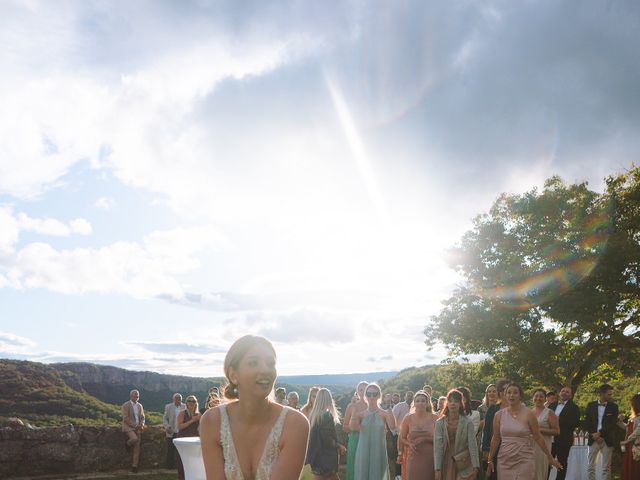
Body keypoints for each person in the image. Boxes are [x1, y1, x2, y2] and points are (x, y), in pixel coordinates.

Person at [199, 335, 309, 480]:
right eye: (253, 363)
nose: (265, 370)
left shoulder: (295, 424)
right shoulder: (212, 421)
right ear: (233, 375)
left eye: (270, 363)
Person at [486, 383, 562, 480]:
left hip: (524, 458)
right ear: (504, 395)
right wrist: (490, 459)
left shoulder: (529, 414)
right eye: (508, 393)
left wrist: (549, 457)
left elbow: (538, 436)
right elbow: (496, 438)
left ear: (520, 395)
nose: (511, 395)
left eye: (515, 393)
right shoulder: (498, 415)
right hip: (505, 459)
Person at [350, 382, 396, 480]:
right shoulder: (360, 414)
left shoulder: (384, 414)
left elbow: (393, 426)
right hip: (363, 450)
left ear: (379, 395)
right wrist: (354, 409)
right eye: (369, 394)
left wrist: (389, 407)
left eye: (374, 394)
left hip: (378, 450)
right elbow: (353, 427)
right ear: (365, 395)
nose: (372, 397)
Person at [434, 388, 479, 480]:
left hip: (463, 460)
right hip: (446, 459)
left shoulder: (467, 422)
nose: (453, 403)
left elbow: (472, 445)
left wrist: (476, 466)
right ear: (447, 403)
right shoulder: (440, 423)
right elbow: (437, 447)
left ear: (461, 404)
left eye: (456, 401)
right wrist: (437, 469)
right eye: (450, 401)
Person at [306, 388, 346, 479]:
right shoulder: (326, 416)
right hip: (326, 456)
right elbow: (327, 439)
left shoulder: (313, 415)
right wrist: (338, 445)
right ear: (329, 400)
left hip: (315, 456)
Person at [583, 383, 619, 480]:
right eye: (609, 394)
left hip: (607, 439)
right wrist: (593, 434)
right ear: (602, 394)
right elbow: (586, 422)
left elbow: (612, 424)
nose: (611, 396)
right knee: (590, 466)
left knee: (606, 468)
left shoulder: (614, 407)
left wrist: (600, 434)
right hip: (593, 439)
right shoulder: (590, 405)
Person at [399, 390, 437, 480]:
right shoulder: (408, 418)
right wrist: (409, 444)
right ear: (414, 403)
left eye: (423, 400)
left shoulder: (435, 418)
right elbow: (402, 438)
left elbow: (440, 439)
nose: (420, 403)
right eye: (418, 401)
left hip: (430, 457)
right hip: (413, 456)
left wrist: (425, 439)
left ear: (428, 403)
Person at [547, 385, 581, 480]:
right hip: (549, 439)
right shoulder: (552, 405)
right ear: (559, 393)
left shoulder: (574, 408)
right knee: (547, 462)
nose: (564, 393)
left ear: (570, 395)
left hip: (564, 439)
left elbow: (576, 423)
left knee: (561, 463)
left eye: (567, 392)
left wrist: (559, 420)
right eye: (563, 391)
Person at [481, 379, 509, 480]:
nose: (507, 393)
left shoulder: (519, 410)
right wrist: (486, 450)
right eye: (504, 390)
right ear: (500, 392)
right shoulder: (493, 409)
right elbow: (487, 430)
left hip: (514, 451)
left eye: (509, 390)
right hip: (496, 450)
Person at [530, 389, 559, 480]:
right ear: (533, 398)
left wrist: (539, 430)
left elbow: (557, 431)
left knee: (539, 473)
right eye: (536, 396)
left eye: (541, 396)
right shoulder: (528, 412)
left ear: (545, 398)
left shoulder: (549, 412)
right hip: (528, 447)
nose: (538, 398)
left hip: (542, 448)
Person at [343, 381, 369, 480]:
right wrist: (356, 428)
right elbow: (344, 427)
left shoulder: (373, 406)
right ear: (357, 392)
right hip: (355, 439)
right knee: (354, 466)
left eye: (366, 389)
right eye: (361, 390)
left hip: (370, 439)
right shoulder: (351, 406)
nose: (363, 392)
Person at [177, 395, 202, 480]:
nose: (191, 403)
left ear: (196, 403)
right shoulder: (182, 413)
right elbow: (179, 427)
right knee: (182, 462)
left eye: (193, 401)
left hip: (194, 442)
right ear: (186, 403)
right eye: (189, 401)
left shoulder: (199, 415)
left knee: (194, 462)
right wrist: (192, 420)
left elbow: (200, 429)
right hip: (183, 441)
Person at [122, 389, 145, 473]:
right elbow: (125, 418)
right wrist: (135, 425)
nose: (137, 397)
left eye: (138, 395)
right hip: (128, 427)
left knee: (137, 448)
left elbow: (142, 417)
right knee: (134, 439)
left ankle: (134, 466)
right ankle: (128, 444)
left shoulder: (140, 406)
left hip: (138, 428)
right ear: (131, 396)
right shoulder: (126, 405)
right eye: (135, 395)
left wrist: (142, 425)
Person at [392, 391, 414, 480]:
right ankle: (398, 475)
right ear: (405, 397)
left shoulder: (414, 407)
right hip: (398, 435)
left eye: (411, 397)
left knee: (408, 456)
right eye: (408, 396)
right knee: (398, 455)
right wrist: (396, 432)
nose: (409, 398)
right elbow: (392, 419)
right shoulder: (399, 406)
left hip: (411, 437)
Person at [163, 393, 185, 469]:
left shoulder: (184, 406)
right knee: (170, 450)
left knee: (181, 450)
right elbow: (165, 418)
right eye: (176, 398)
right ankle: (169, 466)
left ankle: (181, 466)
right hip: (171, 431)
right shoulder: (168, 407)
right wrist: (167, 427)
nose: (178, 400)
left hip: (181, 431)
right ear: (173, 399)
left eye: (179, 398)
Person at [620, 393, 640, 480]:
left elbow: (637, 431)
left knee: (635, 468)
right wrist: (619, 421)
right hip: (629, 446)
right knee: (629, 467)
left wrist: (626, 441)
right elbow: (627, 428)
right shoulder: (634, 417)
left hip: (635, 446)